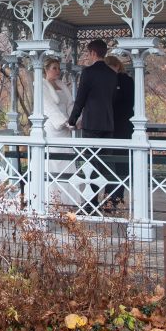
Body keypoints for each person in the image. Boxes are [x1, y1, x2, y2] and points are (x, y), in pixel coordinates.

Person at [67, 39, 118, 213]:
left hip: (91, 125)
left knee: (91, 164)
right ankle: (106, 202)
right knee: (105, 164)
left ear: (93, 53)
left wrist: (72, 120)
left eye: (88, 54)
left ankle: (90, 204)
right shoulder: (112, 74)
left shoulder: (88, 73)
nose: (88, 57)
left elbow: (80, 99)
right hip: (108, 124)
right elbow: (112, 100)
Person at [105, 55, 134, 206]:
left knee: (120, 163)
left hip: (121, 127)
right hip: (111, 126)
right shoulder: (110, 80)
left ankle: (115, 197)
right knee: (110, 163)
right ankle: (110, 197)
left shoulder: (125, 81)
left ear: (117, 66)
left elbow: (126, 102)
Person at [42, 57, 74, 178]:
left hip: (66, 129)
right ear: (46, 69)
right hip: (53, 127)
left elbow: (70, 104)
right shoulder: (42, 85)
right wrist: (64, 122)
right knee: (54, 158)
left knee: (67, 157)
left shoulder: (62, 84)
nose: (57, 71)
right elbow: (49, 106)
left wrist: (75, 120)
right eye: (54, 68)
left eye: (58, 68)